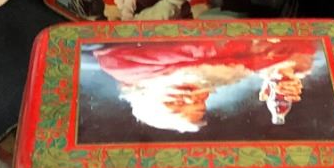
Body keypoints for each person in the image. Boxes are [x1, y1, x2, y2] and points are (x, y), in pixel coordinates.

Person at [85, 38, 316, 135]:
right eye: (199, 103)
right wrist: (283, 71)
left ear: (145, 96)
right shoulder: (221, 75)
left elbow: (205, 42)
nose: (190, 97)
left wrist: (265, 62)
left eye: (174, 103)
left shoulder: (121, 66)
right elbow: (302, 43)